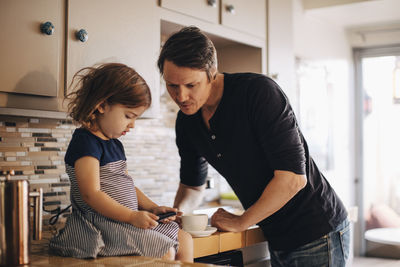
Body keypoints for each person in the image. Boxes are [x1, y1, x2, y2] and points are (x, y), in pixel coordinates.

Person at [157, 26, 350, 266]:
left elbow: (292, 179)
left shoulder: (257, 93)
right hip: (277, 236)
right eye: (172, 86)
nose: (181, 96)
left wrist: (241, 221)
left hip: (317, 232)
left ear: (212, 72)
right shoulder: (187, 122)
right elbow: (192, 185)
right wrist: (178, 215)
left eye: (191, 85)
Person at [49, 63, 193, 262]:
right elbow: (91, 194)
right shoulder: (85, 142)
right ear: (102, 105)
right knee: (163, 251)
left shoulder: (114, 144)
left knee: (183, 238)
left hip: (123, 221)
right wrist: (131, 217)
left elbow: (126, 186)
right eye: (128, 116)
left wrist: (151, 208)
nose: (132, 125)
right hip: (101, 225)